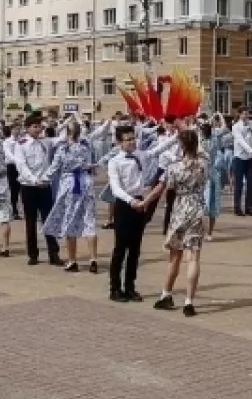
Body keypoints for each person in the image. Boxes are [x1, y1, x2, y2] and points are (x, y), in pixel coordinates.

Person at [107, 125, 179, 302]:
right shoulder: (115, 161)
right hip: (125, 204)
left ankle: (130, 286)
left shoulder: (140, 155)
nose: (132, 142)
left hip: (140, 203)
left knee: (135, 249)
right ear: (119, 142)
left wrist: (177, 136)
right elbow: (115, 188)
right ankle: (115, 288)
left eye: (133, 138)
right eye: (127, 139)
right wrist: (131, 201)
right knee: (120, 249)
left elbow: (157, 150)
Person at [144, 128, 208, 315]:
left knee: (175, 256)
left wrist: (145, 202)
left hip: (180, 208)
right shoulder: (203, 164)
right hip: (197, 208)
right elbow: (203, 152)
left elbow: (160, 188)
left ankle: (166, 294)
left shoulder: (174, 166)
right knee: (194, 257)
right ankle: (189, 301)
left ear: (180, 145)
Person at [43, 119, 101, 273]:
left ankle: (72, 261)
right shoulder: (85, 147)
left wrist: (42, 180)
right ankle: (93, 258)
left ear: (67, 133)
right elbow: (91, 164)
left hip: (69, 184)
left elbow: (54, 168)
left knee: (69, 220)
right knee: (89, 220)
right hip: (85, 183)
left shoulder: (63, 149)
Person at [15, 114, 64, 266]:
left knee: (48, 220)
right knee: (30, 221)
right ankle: (33, 254)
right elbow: (21, 166)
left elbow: (63, 138)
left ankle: (53, 253)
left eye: (39, 126)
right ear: (27, 128)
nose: (38, 129)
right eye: (34, 126)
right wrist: (34, 180)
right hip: (29, 187)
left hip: (44, 186)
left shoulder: (46, 142)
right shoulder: (21, 144)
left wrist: (68, 123)